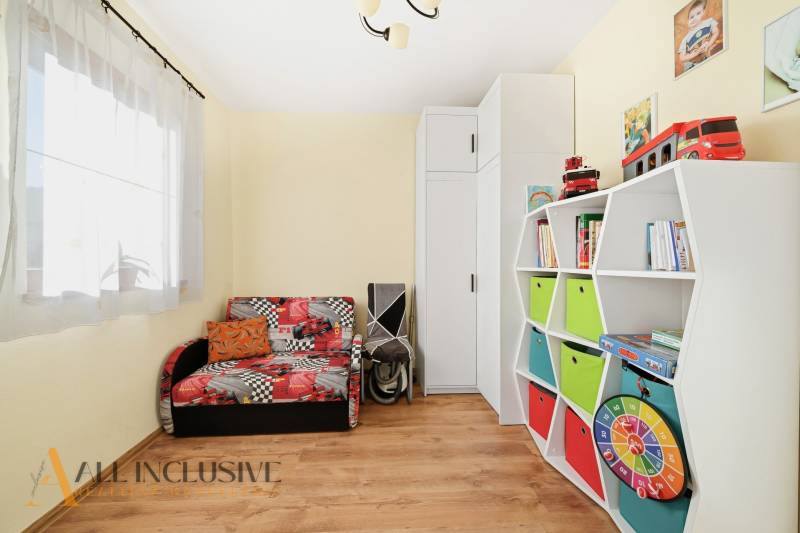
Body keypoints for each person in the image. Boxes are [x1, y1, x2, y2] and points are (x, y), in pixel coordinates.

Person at [677, 0, 720, 73]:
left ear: (703, 12)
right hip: (691, 65)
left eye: (698, 13)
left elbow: (716, 32)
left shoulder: (709, 22)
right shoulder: (686, 38)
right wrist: (695, 53)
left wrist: (709, 44)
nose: (695, 18)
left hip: (706, 58)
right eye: (691, 17)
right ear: (688, 21)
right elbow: (682, 57)